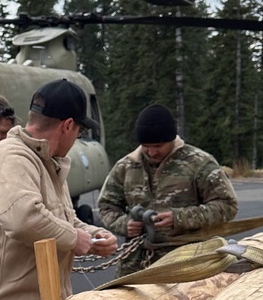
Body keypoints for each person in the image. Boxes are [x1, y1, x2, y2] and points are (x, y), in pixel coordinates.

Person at [0, 79, 117, 300]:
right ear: (68, 125)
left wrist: (92, 235)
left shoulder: (47, 162)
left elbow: (61, 218)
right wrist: (75, 238)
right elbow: (23, 219)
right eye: (79, 130)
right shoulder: (11, 156)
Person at [97, 103, 239, 272]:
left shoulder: (199, 163)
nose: (152, 152)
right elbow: (106, 205)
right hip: (136, 263)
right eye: (146, 146)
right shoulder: (126, 166)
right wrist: (124, 224)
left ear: (172, 139)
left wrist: (179, 218)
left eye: (158, 146)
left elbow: (227, 206)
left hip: (188, 260)